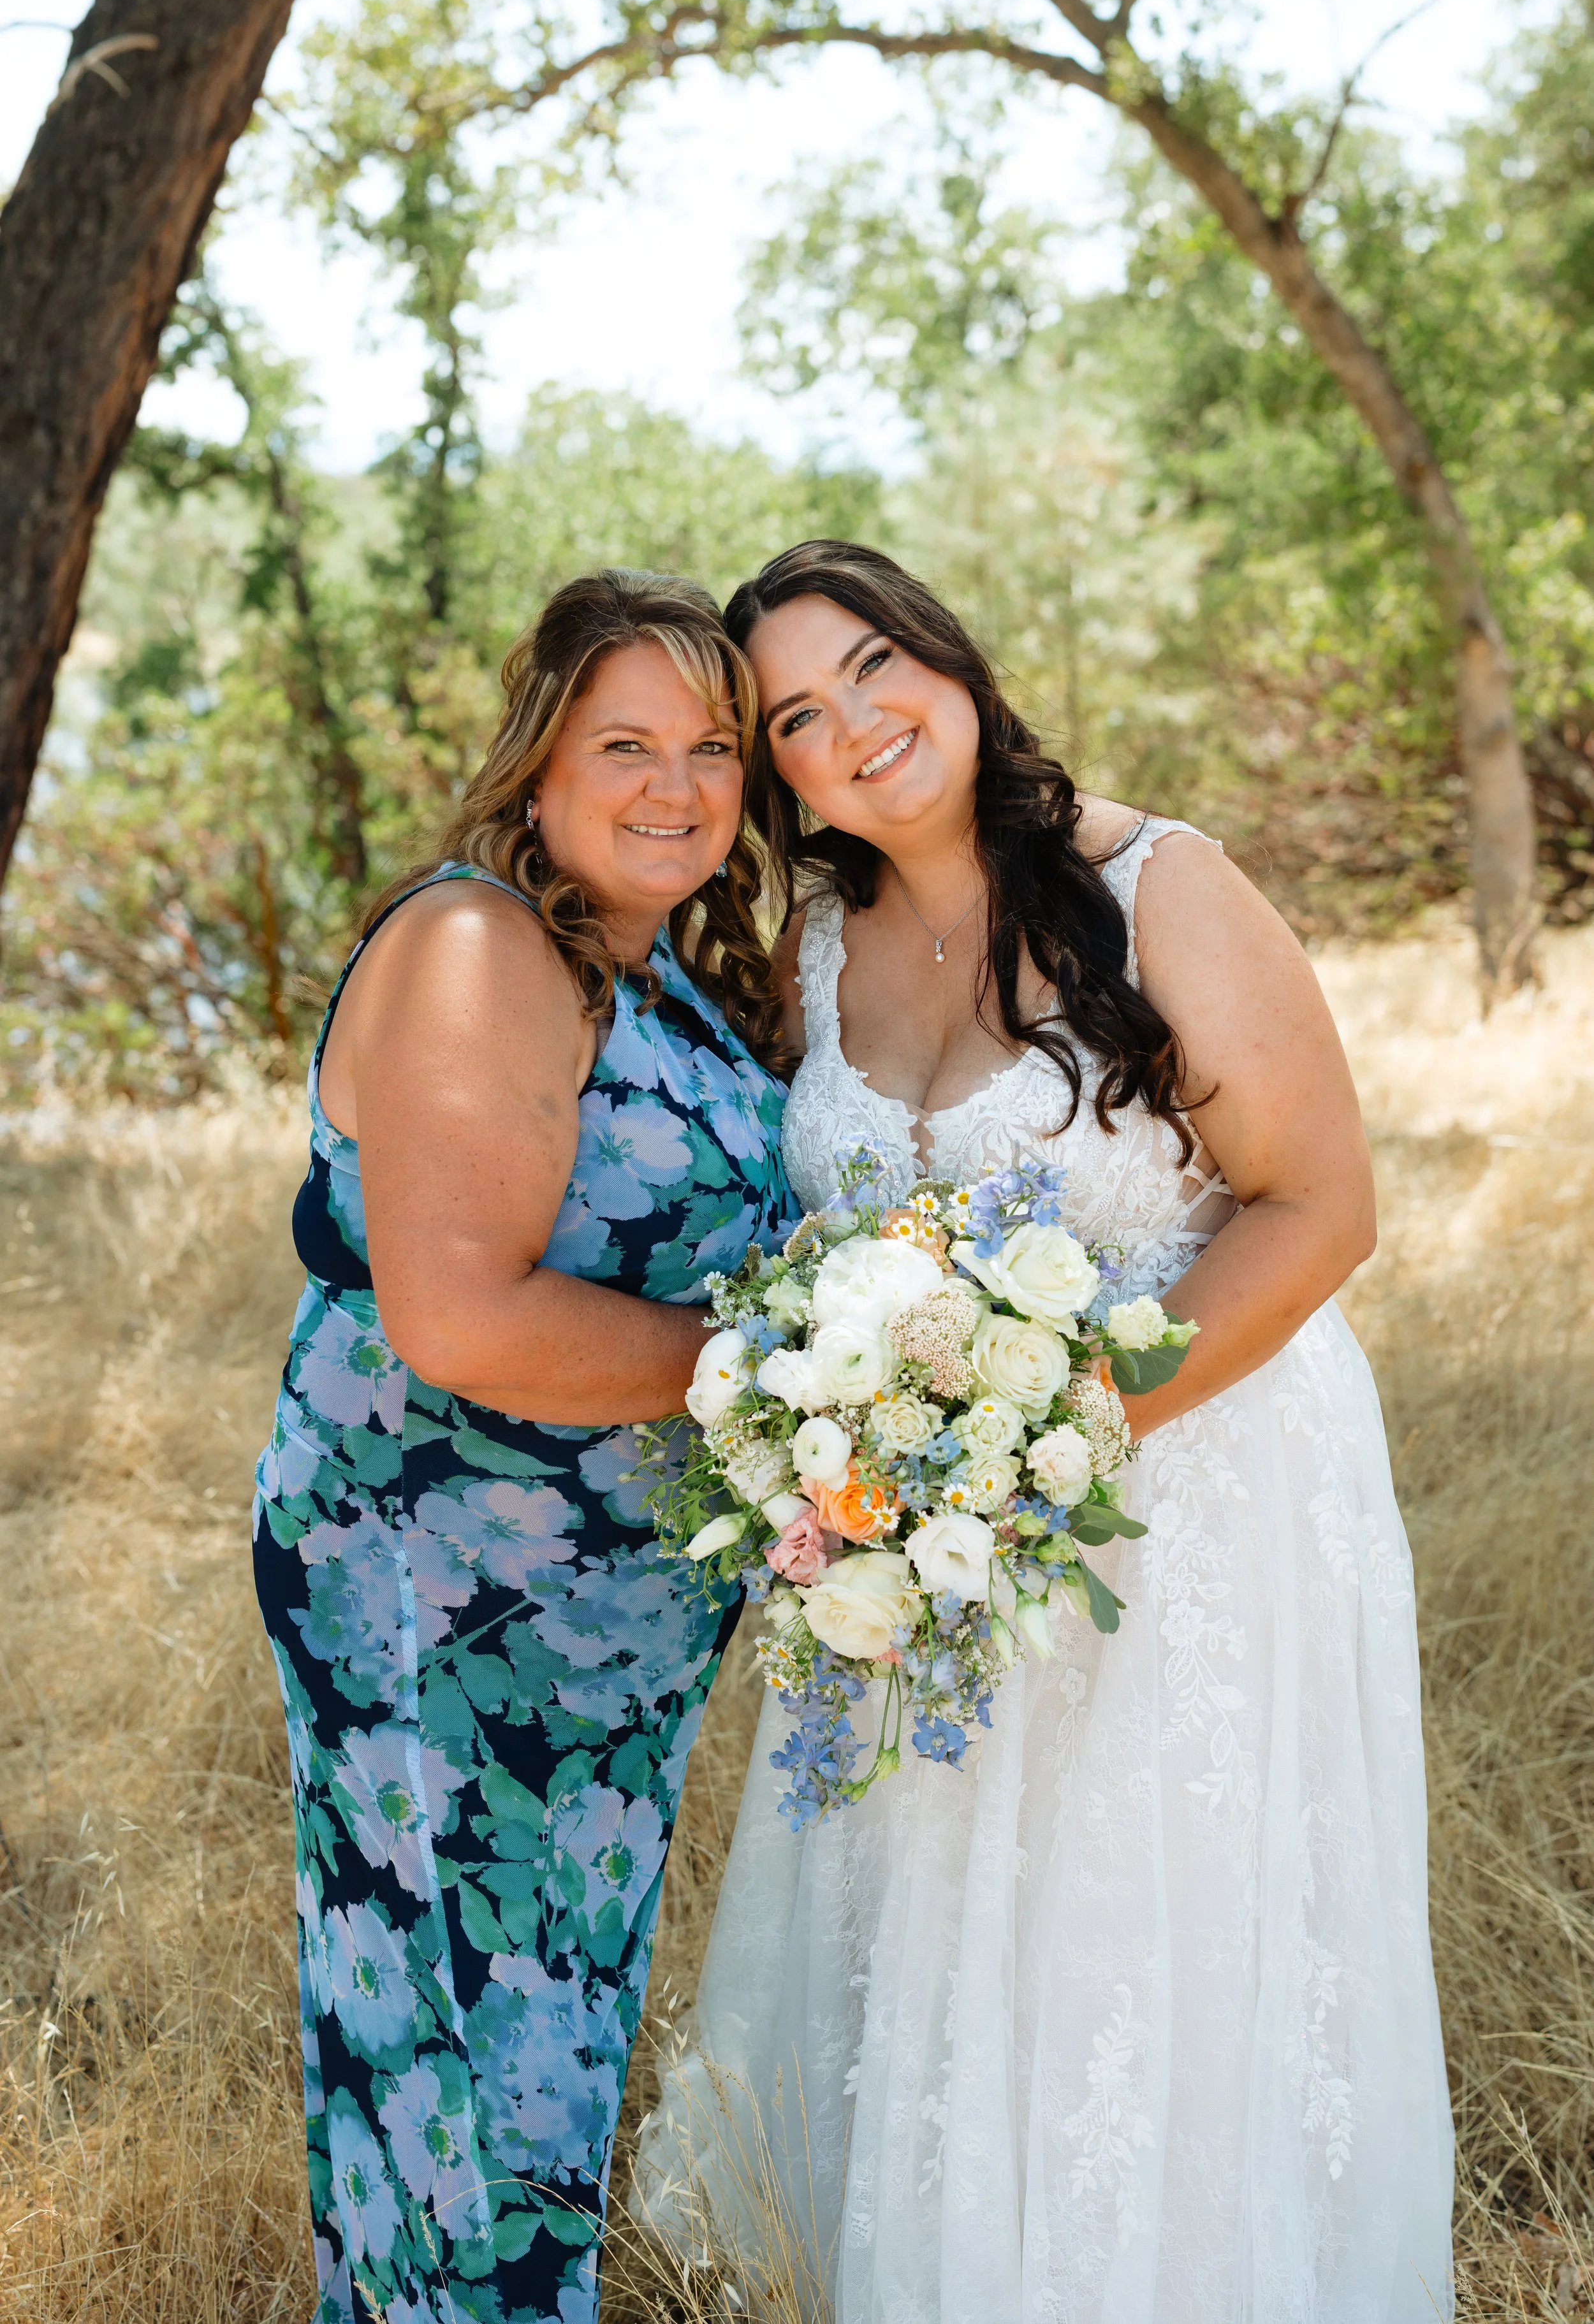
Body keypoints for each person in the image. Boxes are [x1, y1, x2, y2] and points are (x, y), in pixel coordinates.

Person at [636, 542, 1453, 2321]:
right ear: (777, 768)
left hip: (1189, 1500)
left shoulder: (1164, 885)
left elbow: (1317, 1207)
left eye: (874, 667)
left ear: (951, 658)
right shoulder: (819, 936)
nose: (853, 726)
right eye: (795, 714)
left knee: (1134, 1944)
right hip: (920, 1541)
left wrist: (1053, 1437)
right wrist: (859, 1439)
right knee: (945, 1942)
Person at [252, 570, 795, 2324]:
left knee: (538, 2055)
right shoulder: (482, 944)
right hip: (436, 1603)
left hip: (594, 1654)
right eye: (624, 740)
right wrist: (779, 1378)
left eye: (710, 746)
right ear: (539, 755)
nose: (672, 784)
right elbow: (460, 1316)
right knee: (455, 2067)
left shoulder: (664, 975)